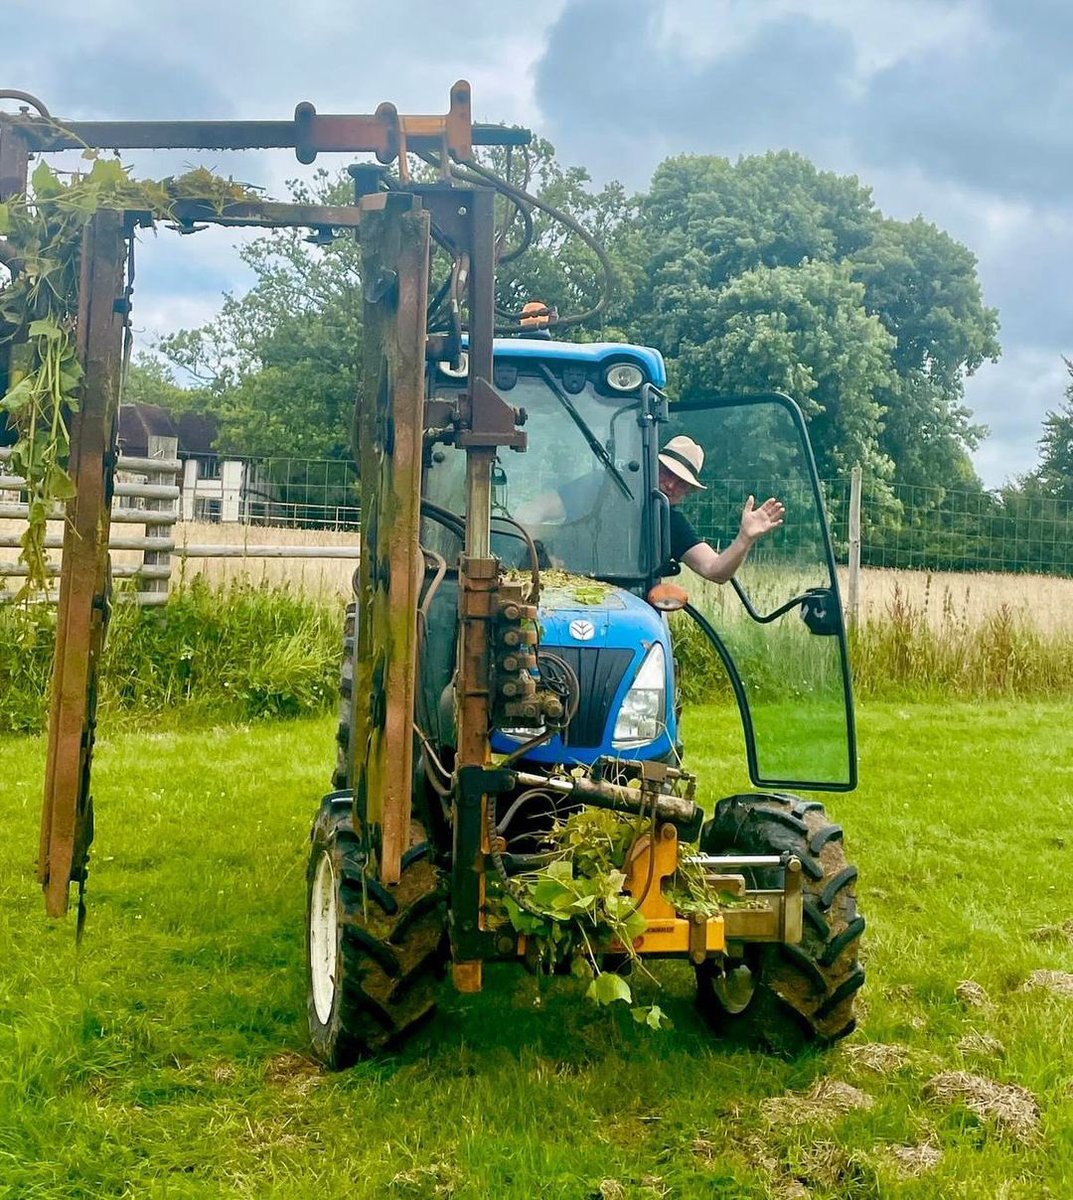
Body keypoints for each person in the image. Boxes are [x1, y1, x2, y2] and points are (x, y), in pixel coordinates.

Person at [658, 435, 784, 583]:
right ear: (653, 467)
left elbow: (714, 570)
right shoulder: (624, 500)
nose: (671, 485)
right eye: (667, 473)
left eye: (681, 483)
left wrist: (745, 538)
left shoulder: (672, 523)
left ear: (688, 492)